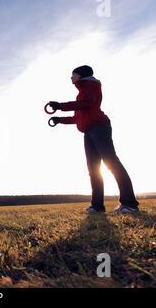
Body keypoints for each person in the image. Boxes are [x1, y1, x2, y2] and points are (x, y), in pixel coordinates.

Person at [48, 65, 139, 214]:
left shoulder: (91, 85)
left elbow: (86, 104)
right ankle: (97, 206)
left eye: (73, 74)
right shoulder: (82, 92)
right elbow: (78, 117)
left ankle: (129, 204)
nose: (71, 77)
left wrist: (60, 106)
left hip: (99, 127)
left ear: (81, 75)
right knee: (93, 168)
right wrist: (59, 119)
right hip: (88, 131)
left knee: (111, 162)